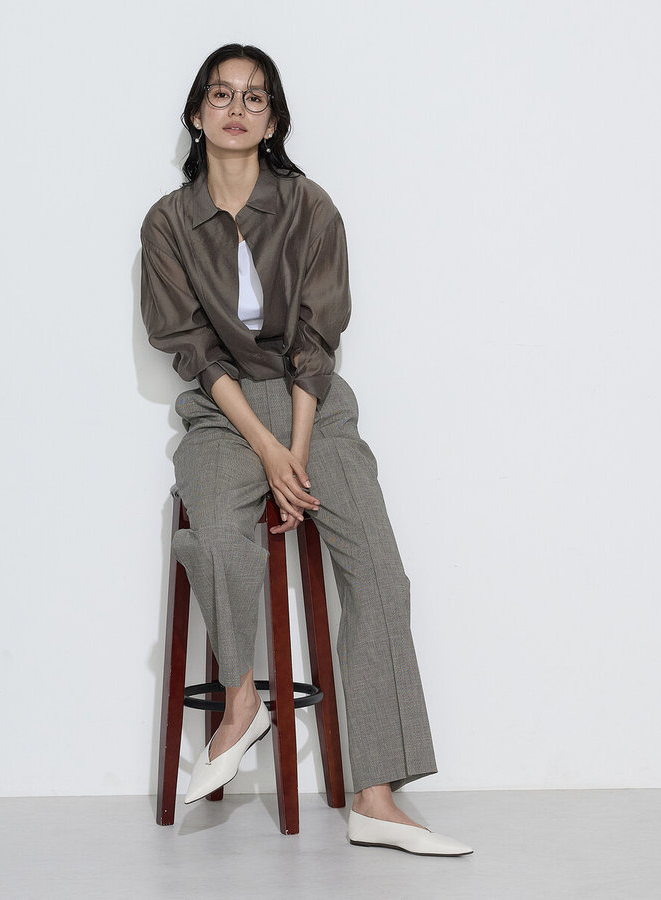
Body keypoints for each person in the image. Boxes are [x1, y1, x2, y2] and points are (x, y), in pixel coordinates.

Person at [140, 43, 472, 857]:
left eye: (255, 98)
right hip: (222, 413)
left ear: (273, 120)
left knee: (379, 573)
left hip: (310, 408)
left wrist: (294, 451)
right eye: (221, 94)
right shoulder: (168, 223)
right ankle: (242, 702)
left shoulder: (310, 207)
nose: (237, 108)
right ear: (196, 114)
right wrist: (265, 451)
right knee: (219, 535)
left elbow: (316, 343)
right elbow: (193, 352)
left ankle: (375, 798)